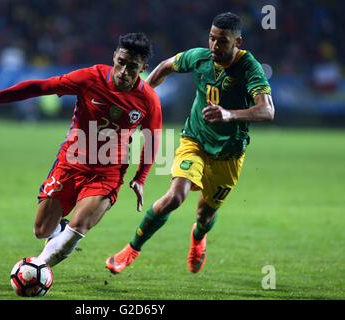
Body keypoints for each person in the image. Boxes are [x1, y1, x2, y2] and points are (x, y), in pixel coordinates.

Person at [0, 33, 162, 268]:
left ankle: (37, 269)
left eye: (132, 67)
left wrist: (140, 178)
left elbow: (152, 139)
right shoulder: (90, 78)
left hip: (107, 172)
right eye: (121, 62)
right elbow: (42, 87)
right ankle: (53, 239)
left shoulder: (148, 100)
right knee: (42, 231)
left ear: (143, 68)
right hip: (71, 162)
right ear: (114, 57)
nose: (124, 71)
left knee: (78, 226)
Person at [106, 12, 275, 274]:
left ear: (238, 42)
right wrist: (143, 98)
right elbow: (165, 66)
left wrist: (228, 115)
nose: (215, 46)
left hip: (229, 154)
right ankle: (131, 249)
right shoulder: (199, 57)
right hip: (194, 140)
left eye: (223, 42)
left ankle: (198, 236)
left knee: (204, 216)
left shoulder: (248, 68)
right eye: (212, 39)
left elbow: (267, 110)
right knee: (175, 197)